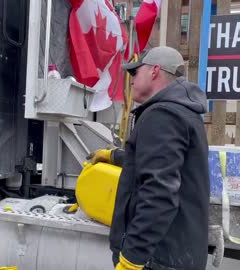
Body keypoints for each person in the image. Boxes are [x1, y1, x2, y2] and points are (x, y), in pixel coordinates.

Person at [88, 46, 209, 270]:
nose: (130, 80)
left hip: (158, 259)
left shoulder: (163, 115)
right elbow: (163, 165)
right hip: (176, 255)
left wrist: (132, 259)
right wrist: (115, 156)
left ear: (154, 71)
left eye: (135, 73)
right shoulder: (183, 111)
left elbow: (159, 193)